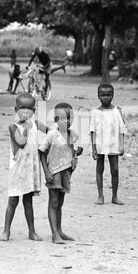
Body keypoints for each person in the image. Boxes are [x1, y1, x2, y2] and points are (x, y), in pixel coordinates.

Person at [0, 93, 49, 242]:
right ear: (16, 109)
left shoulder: (35, 124)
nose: (26, 112)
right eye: (22, 108)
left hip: (30, 171)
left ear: (34, 111)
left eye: (29, 109)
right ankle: (6, 230)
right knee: (13, 201)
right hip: (18, 171)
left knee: (28, 202)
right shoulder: (13, 127)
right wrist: (27, 127)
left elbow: (49, 131)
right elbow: (21, 142)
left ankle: (32, 231)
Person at [39, 103, 83, 244]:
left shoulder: (72, 134)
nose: (67, 121)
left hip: (66, 172)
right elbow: (41, 152)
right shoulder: (52, 134)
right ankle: (54, 234)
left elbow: (68, 152)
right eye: (63, 118)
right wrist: (46, 172)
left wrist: (77, 152)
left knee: (60, 203)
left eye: (70, 117)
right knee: (53, 202)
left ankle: (59, 230)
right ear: (56, 119)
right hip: (54, 172)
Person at [90, 84, 127, 206]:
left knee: (115, 170)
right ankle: (100, 196)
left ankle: (115, 196)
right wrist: (93, 148)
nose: (106, 97)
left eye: (108, 95)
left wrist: (122, 145)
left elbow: (122, 129)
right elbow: (93, 131)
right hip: (100, 144)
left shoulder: (117, 111)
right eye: (103, 95)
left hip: (113, 144)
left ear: (113, 95)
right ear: (98, 96)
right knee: (99, 168)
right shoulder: (95, 112)